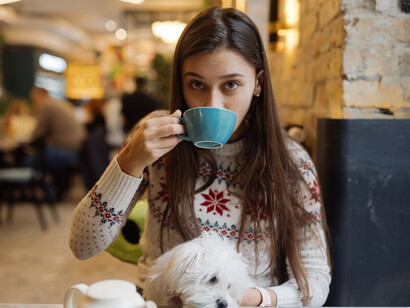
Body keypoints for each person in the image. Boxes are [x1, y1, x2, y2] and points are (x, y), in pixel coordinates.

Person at [69, 6, 331, 307]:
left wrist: (249, 298)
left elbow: (315, 280)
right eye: (197, 84)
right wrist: (128, 164)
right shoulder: (155, 140)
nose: (212, 103)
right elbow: (82, 245)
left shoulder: (290, 162)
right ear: (181, 83)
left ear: (257, 83)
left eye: (231, 84)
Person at [29, 86, 86, 200]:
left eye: (34, 98)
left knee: (31, 161)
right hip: (79, 148)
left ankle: (50, 195)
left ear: (39, 96)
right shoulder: (60, 103)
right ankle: (56, 190)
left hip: (68, 151)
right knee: (42, 155)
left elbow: (38, 132)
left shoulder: (46, 106)